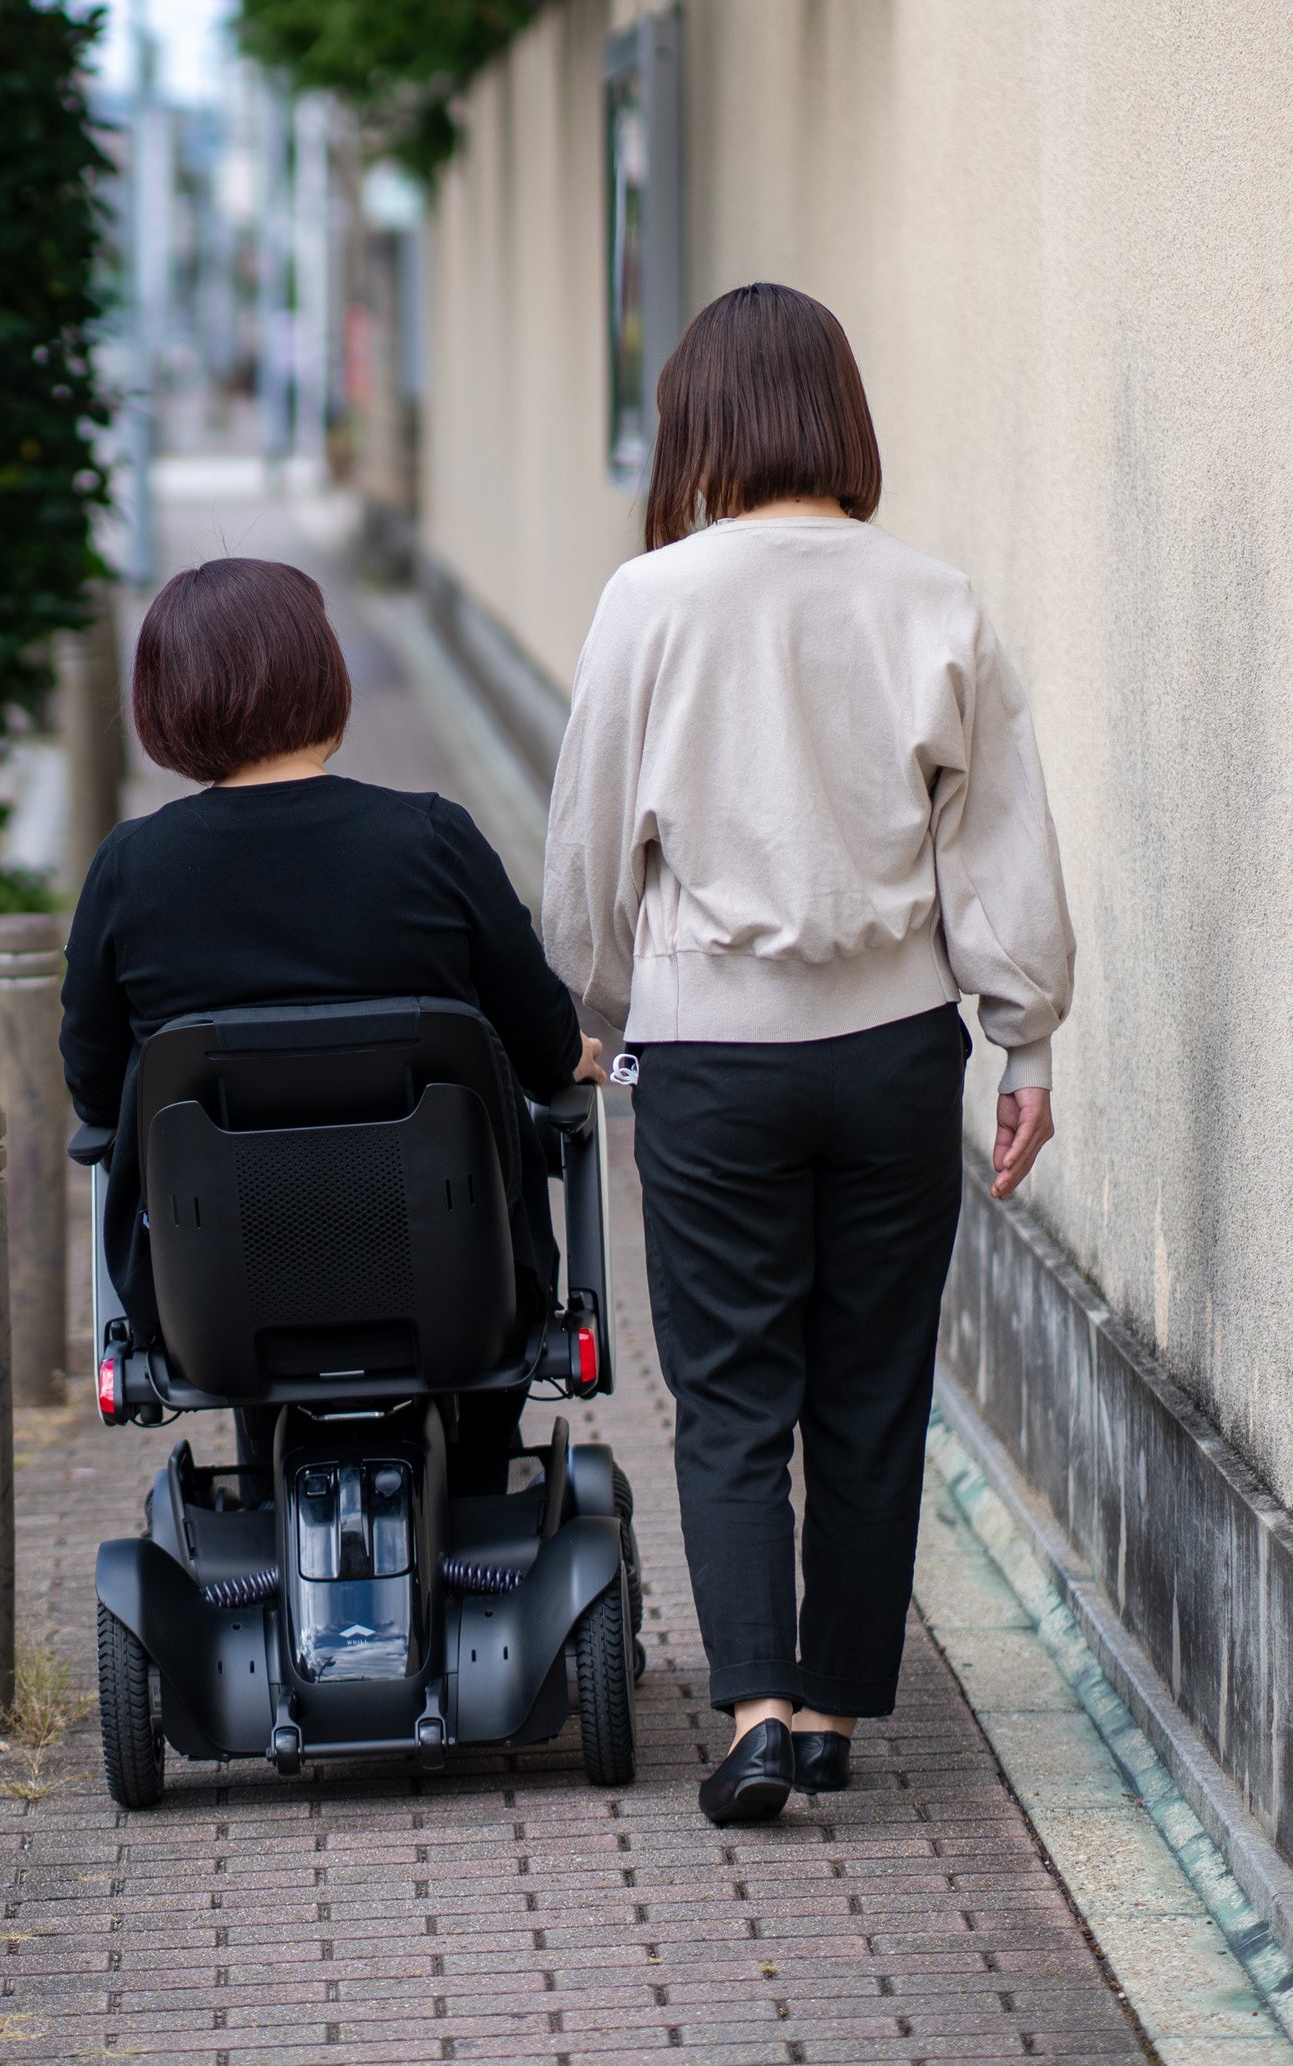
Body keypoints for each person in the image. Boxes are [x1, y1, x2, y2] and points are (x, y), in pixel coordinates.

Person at [542, 282, 1076, 1829]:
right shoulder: (934, 599)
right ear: (843, 413)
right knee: (870, 1386)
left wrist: (600, 1005)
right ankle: (837, 1705)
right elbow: (999, 844)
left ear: (697, 424)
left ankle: (758, 1712)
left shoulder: (651, 601)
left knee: (727, 1391)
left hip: (714, 1057)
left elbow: (589, 846)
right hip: (898, 1052)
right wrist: (1025, 1039)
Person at [62, 556, 601, 1483]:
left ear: (164, 703)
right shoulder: (431, 837)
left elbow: (94, 1086)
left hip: (219, 1299)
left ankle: (267, 1488)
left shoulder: (131, 869)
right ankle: (480, 1480)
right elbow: (537, 1030)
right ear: (322, 672)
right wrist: (570, 1057)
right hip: (458, 1281)